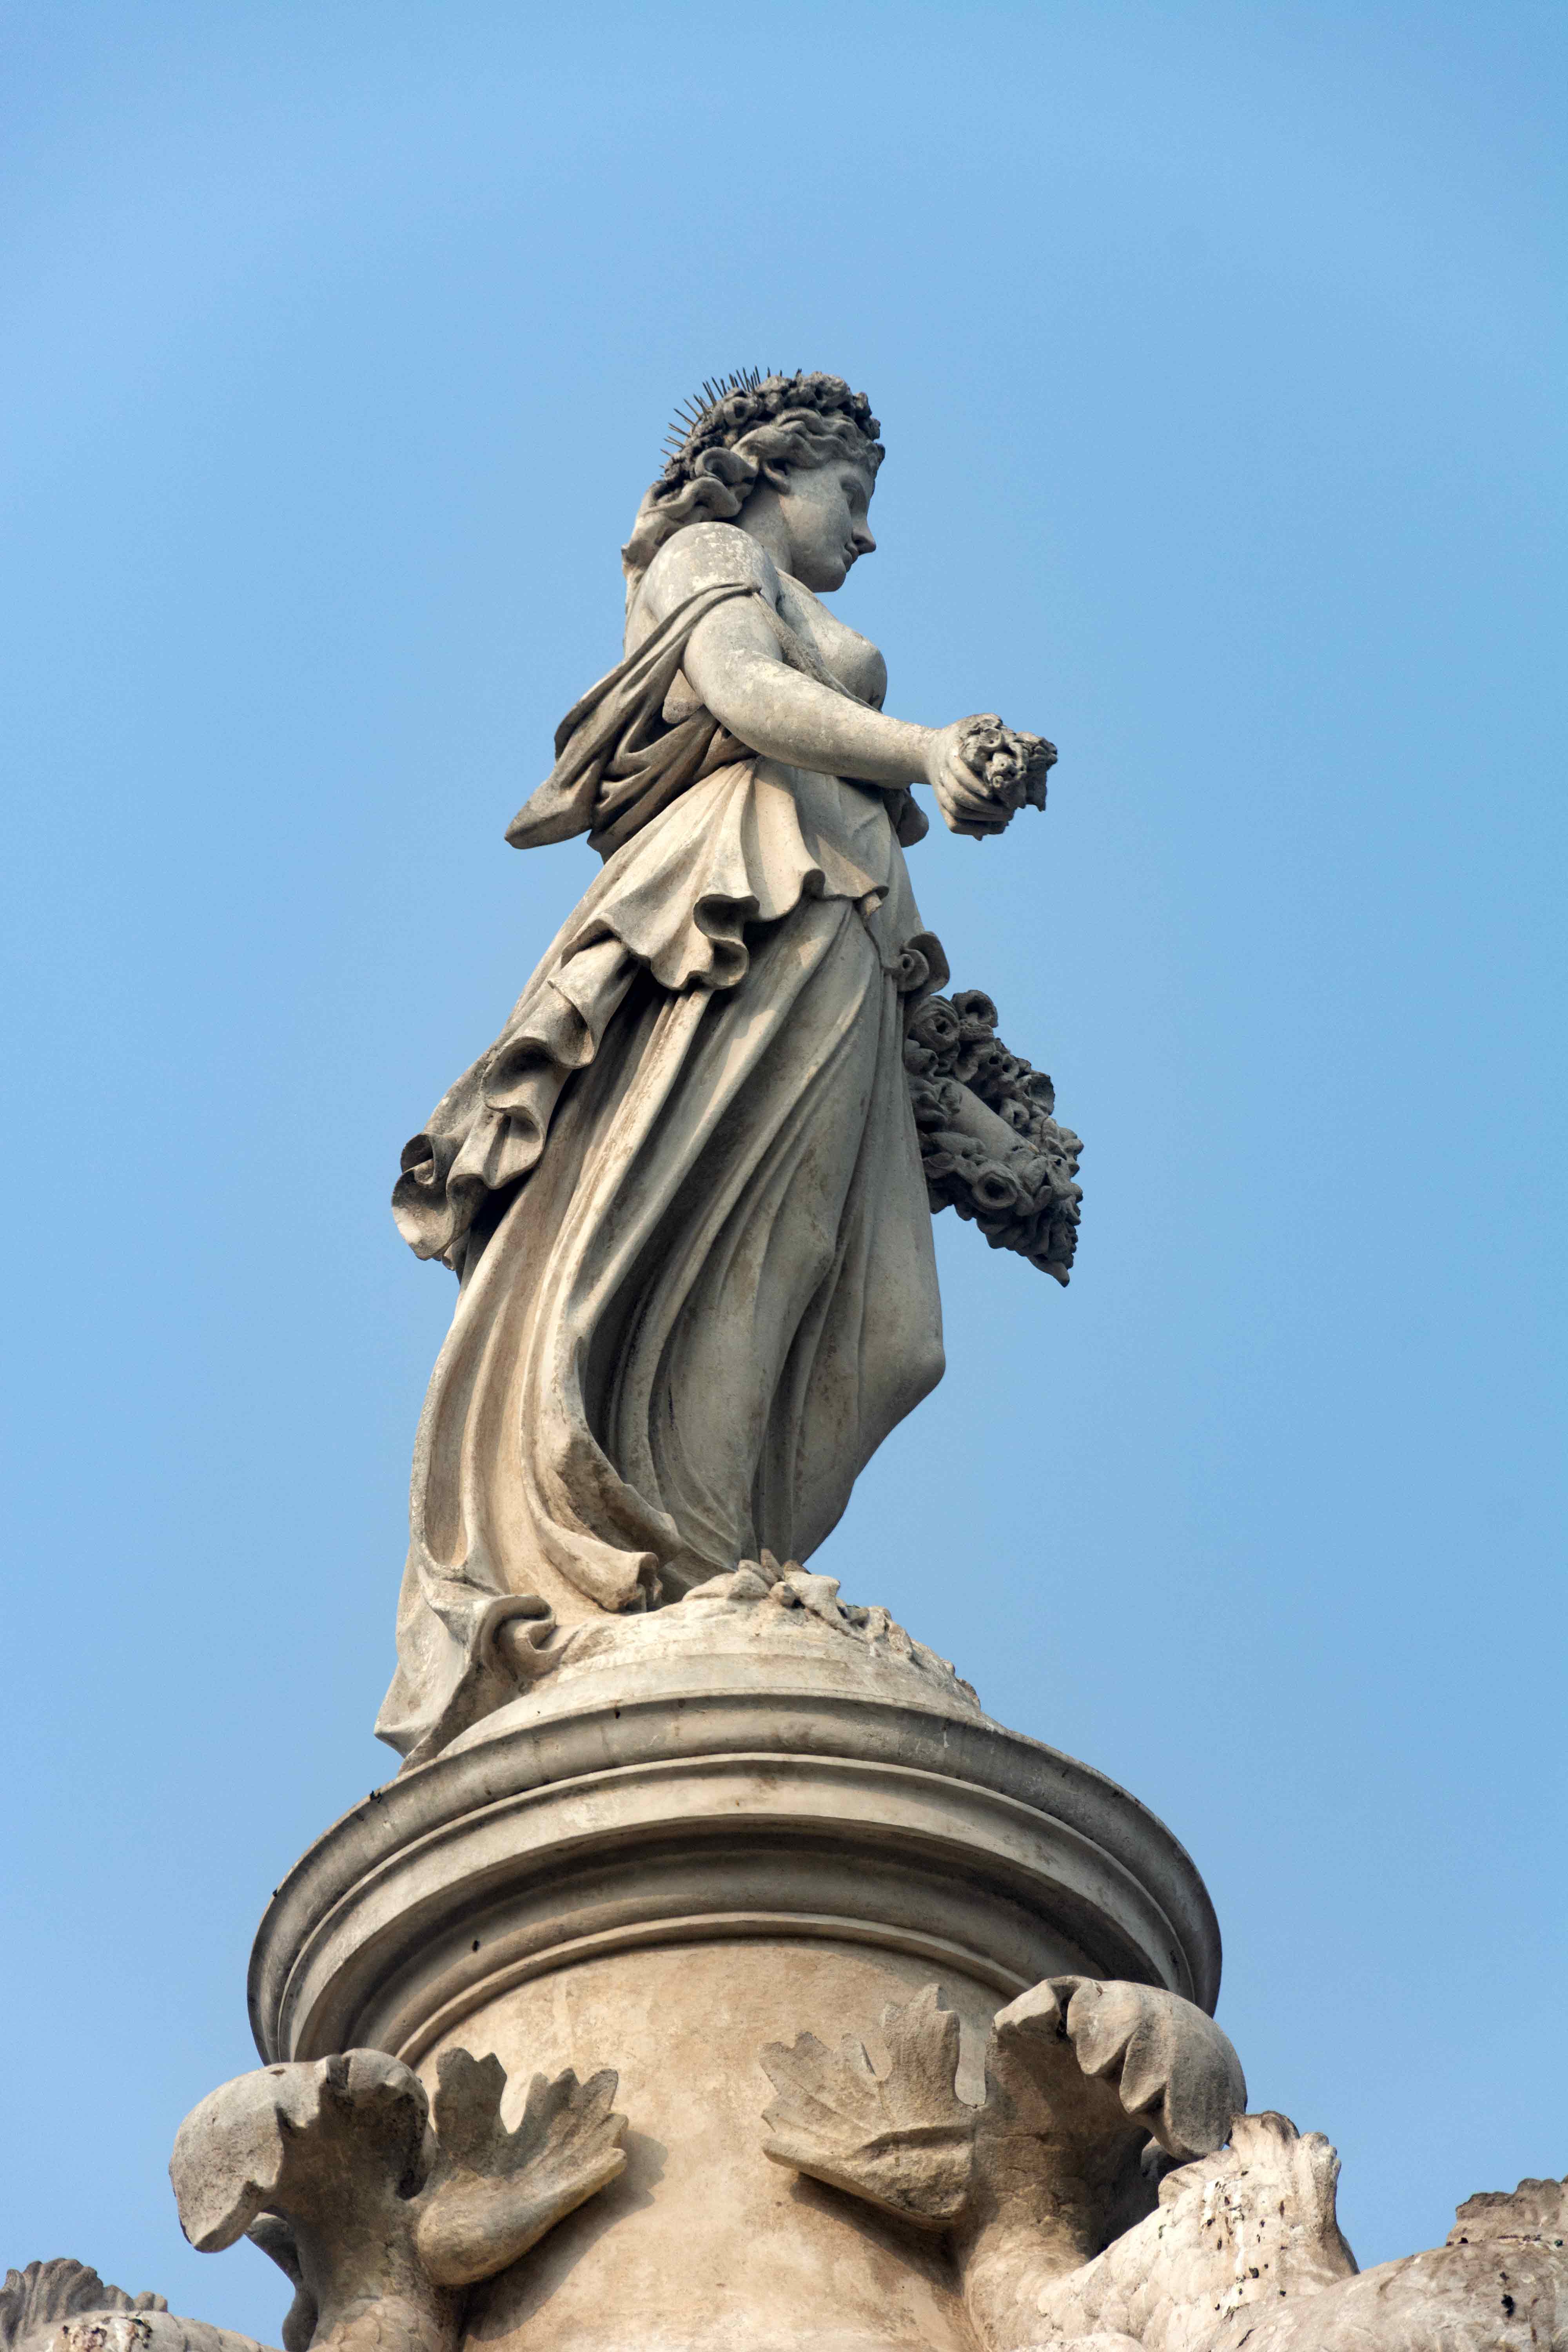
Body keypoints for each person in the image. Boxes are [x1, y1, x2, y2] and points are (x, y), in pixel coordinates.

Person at [378, 372, 1049, 1766]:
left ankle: (728, 1542)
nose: (867, 533)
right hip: (749, 902)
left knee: (890, 1334)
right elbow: (746, 694)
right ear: (773, 468)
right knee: (748, 1242)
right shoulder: (708, 552)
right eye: (853, 495)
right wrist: (926, 750)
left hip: (840, 928)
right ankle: (688, 1563)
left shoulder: (788, 593)